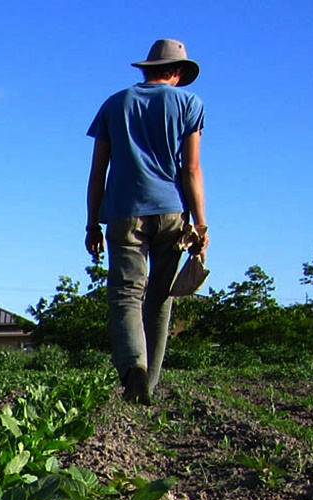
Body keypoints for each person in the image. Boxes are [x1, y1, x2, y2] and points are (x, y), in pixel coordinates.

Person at [85, 38, 209, 406]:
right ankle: (149, 387)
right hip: (171, 211)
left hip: (123, 211)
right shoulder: (190, 103)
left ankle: (133, 370)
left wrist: (93, 224)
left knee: (126, 295)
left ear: (148, 69)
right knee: (160, 299)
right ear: (177, 72)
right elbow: (190, 169)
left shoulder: (115, 103)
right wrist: (200, 223)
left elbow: (97, 173)